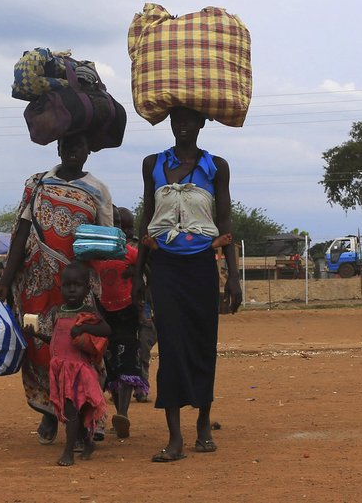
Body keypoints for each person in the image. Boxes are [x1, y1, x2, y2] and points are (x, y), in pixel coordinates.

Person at [132, 106, 241, 463]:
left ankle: (204, 423)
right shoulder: (153, 164)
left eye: (189, 119)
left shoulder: (216, 167)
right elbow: (146, 221)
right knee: (172, 347)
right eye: (176, 119)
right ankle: (175, 436)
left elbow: (224, 223)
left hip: (201, 268)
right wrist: (138, 274)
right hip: (163, 268)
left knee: (202, 343)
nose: (182, 125)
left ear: (202, 122)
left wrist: (233, 278)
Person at [0, 133, 113, 446]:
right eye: (67, 146)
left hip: (78, 285)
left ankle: (91, 414)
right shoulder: (37, 184)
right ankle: (48, 409)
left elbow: (106, 240)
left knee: (84, 347)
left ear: (89, 149)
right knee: (40, 348)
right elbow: (21, 234)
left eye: (80, 145)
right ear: (58, 148)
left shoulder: (97, 190)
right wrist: (5, 282)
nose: (73, 151)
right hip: (36, 284)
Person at [23, 263, 111, 466]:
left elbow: (106, 330)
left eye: (77, 285)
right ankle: (88, 444)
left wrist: (84, 328)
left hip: (79, 370)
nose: (72, 290)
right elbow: (55, 338)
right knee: (74, 413)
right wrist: (35, 334)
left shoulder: (87, 312)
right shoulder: (58, 311)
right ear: (60, 287)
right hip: (61, 370)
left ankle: (68, 452)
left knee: (72, 412)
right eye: (67, 285)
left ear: (87, 289)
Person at [89, 206, 146, 438]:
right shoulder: (94, 255)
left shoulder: (129, 252)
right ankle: (107, 413)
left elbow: (146, 269)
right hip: (103, 314)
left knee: (128, 360)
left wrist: (136, 273)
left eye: (123, 227)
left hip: (127, 314)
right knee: (109, 362)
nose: (120, 230)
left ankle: (122, 413)